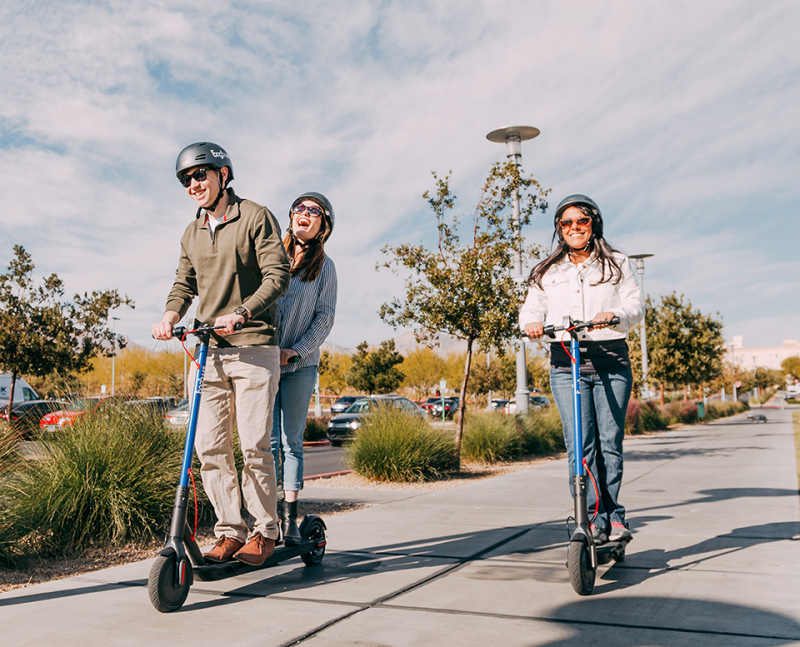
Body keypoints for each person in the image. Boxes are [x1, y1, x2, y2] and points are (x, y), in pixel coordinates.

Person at [152, 142, 290, 566]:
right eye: (187, 179)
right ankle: (231, 531)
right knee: (210, 448)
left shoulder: (254, 216)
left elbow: (277, 275)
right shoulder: (191, 232)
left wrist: (243, 312)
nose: (194, 184)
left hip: (253, 347)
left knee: (252, 445)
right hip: (208, 351)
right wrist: (170, 315)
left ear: (223, 175)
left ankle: (265, 531)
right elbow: (184, 283)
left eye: (201, 174)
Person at [519, 194, 643, 543]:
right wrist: (530, 325)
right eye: (566, 223)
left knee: (609, 443)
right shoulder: (548, 271)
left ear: (594, 223)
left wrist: (615, 315)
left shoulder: (617, 263)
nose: (574, 227)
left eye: (581, 221)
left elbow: (635, 306)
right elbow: (530, 310)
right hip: (567, 361)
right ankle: (587, 518)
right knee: (580, 445)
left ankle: (612, 517)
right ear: (559, 229)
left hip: (611, 360)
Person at [271, 192, 337, 545]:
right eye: (300, 209)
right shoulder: (271, 257)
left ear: (323, 225)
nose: (305, 215)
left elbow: (325, 317)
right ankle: (265, 520)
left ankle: (289, 521)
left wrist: (295, 352)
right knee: (264, 444)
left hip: (299, 366)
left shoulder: (325, 268)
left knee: (290, 442)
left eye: (314, 212)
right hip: (263, 365)